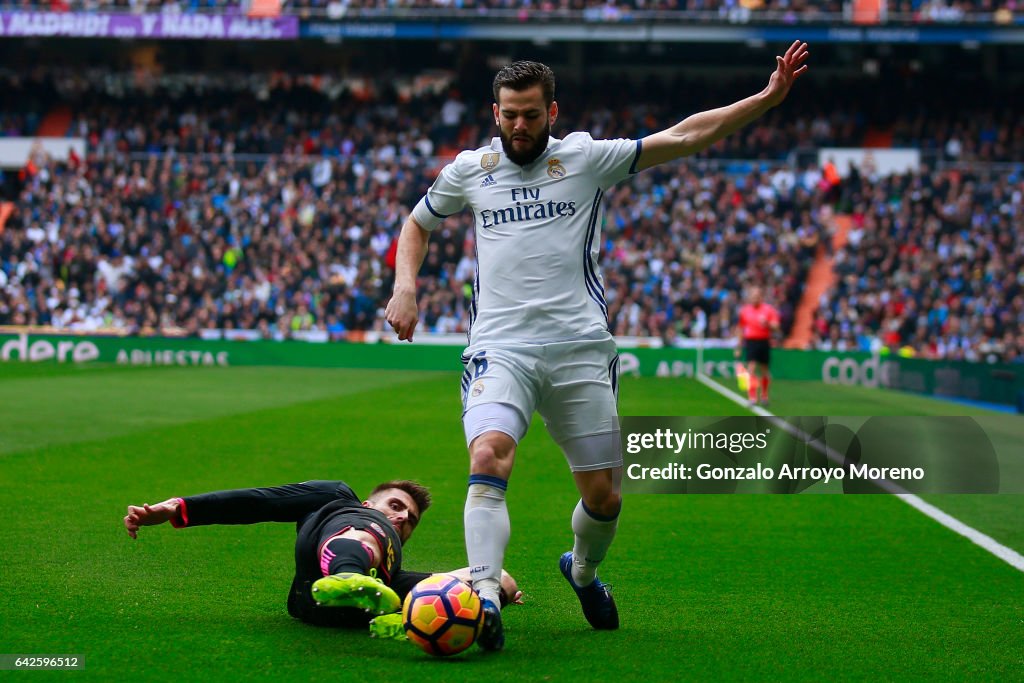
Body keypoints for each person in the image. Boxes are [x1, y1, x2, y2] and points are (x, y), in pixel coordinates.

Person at [385, 42, 810, 650]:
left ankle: (581, 570)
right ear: (494, 111)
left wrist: (767, 98)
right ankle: (481, 596)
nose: (519, 126)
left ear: (552, 112)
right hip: (498, 348)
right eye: (508, 114)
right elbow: (417, 222)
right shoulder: (469, 170)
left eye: (531, 115)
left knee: (604, 496)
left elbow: (685, 137)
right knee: (489, 457)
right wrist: (405, 287)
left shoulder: (586, 159)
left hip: (580, 349)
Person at [124, 479, 521, 631]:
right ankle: (348, 576)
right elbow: (260, 501)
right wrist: (178, 508)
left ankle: (376, 594)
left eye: (410, 519)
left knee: (497, 578)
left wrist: (496, 591)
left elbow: (494, 578)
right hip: (333, 542)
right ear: (371, 500)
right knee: (365, 533)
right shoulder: (342, 499)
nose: (401, 517)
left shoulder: (391, 562)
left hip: (319, 602)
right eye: (396, 505)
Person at [735, 286, 781, 407]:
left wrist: (767, 324)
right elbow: (740, 328)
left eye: (756, 296)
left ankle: (764, 395)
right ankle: (752, 397)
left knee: (764, 370)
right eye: (752, 296)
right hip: (751, 341)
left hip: (764, 341)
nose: (754, 298)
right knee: (750, 368)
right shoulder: (745, 311)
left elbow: (776, 327)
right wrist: (739, 346)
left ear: (761, 297)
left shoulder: (768, 310)